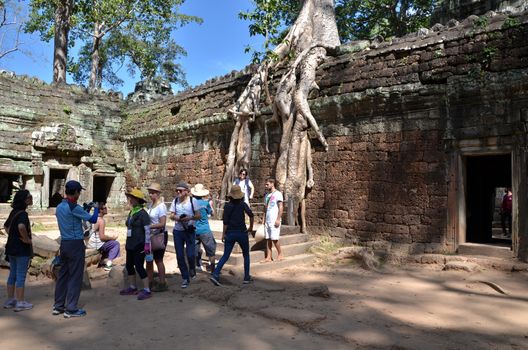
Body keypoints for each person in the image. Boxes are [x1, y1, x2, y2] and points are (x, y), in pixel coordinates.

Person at [54, 180, 99, 318]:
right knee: (75, 276)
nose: (79, 194)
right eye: (79, 192)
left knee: (63, 275)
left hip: (65, 243)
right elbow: (92, 220)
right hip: (75, 244)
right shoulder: (74, 207)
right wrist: (96, 208)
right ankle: (71, 308)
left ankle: (58, 306)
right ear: (75, 192)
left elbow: (75, 216)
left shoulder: (59, 206)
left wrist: (85, 209)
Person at [210, 185, 254, 286]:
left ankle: (216, 274)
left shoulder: (227, 206)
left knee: (226, 255)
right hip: (242, 232)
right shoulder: (243, 204)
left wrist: (223, 234)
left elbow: (225, 222)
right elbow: (251, 215)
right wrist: (251, 227)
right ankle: (246, 277)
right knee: (246, 255)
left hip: (230, 233)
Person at [3, 190, 34, 312]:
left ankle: (11, 300)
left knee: (13, 274)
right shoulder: (23, 215)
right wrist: (26, 239)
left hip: (11, 248)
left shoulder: (14, 212)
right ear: (25, 200)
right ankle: (20, 302)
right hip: (21, 249)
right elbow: (21, 226)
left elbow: (6, 226)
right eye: (29, 197)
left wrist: (13, 236)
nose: (31, 199)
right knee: (20, 275)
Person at [120, 188, 152, 300]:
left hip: (140, 244)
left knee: (139, 266)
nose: (130, 200)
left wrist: (147, 245)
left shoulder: (143, 214)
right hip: (131, 244)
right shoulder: (132, 212)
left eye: (132, 198)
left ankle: (147, 289)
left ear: (137, 200)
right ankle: (133, 287)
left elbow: (147, 230)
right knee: (129, 265)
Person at [169, 181, 201, 289]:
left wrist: (189, 218)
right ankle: (185, 277)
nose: (178, 192)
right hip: (178, 231)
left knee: (191, 254)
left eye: (180, 190)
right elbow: (171, 215)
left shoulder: (193, 201)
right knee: (179, 255)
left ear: (186, 191)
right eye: (177, 190)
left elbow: (198, 216)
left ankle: (192, 267)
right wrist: (177, 217)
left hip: (189, 230)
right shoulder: (175, 201)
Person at [146, 183, 168, 292]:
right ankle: (150, 282)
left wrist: (149, 226)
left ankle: (162, 282)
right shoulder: (150, 206)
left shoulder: (161, 206)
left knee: (158, 259)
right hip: (149, 236)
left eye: (153, 192)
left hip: (158, 235)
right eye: (150, 192)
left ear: (158, 194)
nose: (150, 194)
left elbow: (162, 223)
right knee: (149, 259)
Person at [86, 202, 120, 271]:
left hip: (90, 243)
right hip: (95, 244)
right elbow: (102, 237)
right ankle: (109, 264)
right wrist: (112, 238)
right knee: (116, 244)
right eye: (105, 208)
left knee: (107, 244)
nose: (106, 209)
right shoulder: (101, 221)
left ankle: (101, 262)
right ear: (101, 210)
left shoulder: (93, 217)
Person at [191, 183, 216, 272]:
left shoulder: (191, 203)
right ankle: (213, 269)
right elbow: (212, 214)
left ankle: (198, 265)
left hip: (194, 230)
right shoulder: (206, 203)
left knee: (196, 249)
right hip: (205, 229)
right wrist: (211, 205)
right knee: (211, 250)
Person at [262, 178, 284, 263]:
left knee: (274, 238)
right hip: (268, 219)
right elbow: (265, 208)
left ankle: (280, 253)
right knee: (268, 238)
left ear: (272, 184)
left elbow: (281, 207)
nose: (266, 186)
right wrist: (263, 220)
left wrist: (278, 219)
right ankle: (268, 257)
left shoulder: (278, 194)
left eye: (267, 184)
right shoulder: (267, 195)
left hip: (274, 219)